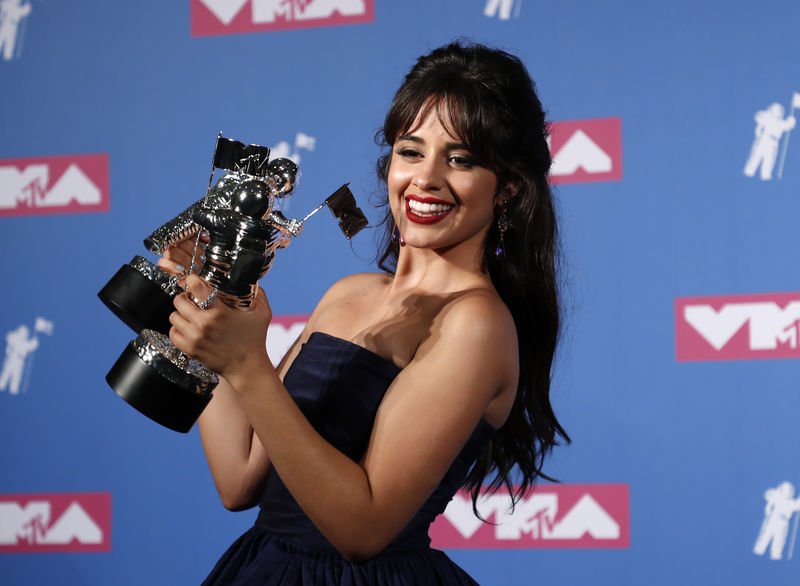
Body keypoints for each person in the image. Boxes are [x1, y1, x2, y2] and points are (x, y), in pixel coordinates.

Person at [160, 41, 569, 585]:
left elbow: (362, 531)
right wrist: (206, 303)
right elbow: (239, 479)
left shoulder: (476, 324)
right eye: (411, 151)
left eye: (462, 158)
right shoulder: (347, 293)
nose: (426, 178)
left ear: (508, 188)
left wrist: (248, 365)